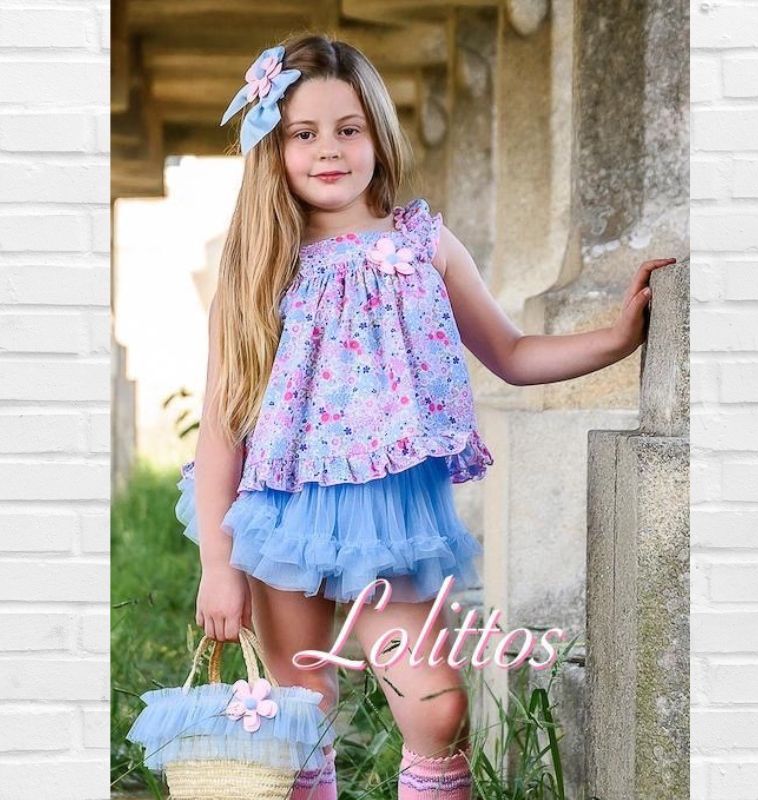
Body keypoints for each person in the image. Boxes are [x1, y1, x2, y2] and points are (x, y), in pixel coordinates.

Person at [174, 33, 676, 800]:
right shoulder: (260, 265)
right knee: (300, 710)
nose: (328, 149)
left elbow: (510, 352)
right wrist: (219, 565)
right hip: (282, 516)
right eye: (304, 133)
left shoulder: (422, 245)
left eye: (348, 128)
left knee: (438, 709)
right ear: (273, 146)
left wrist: (615, 338)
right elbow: (222, 427)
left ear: (378, 133)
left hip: (392, 522)